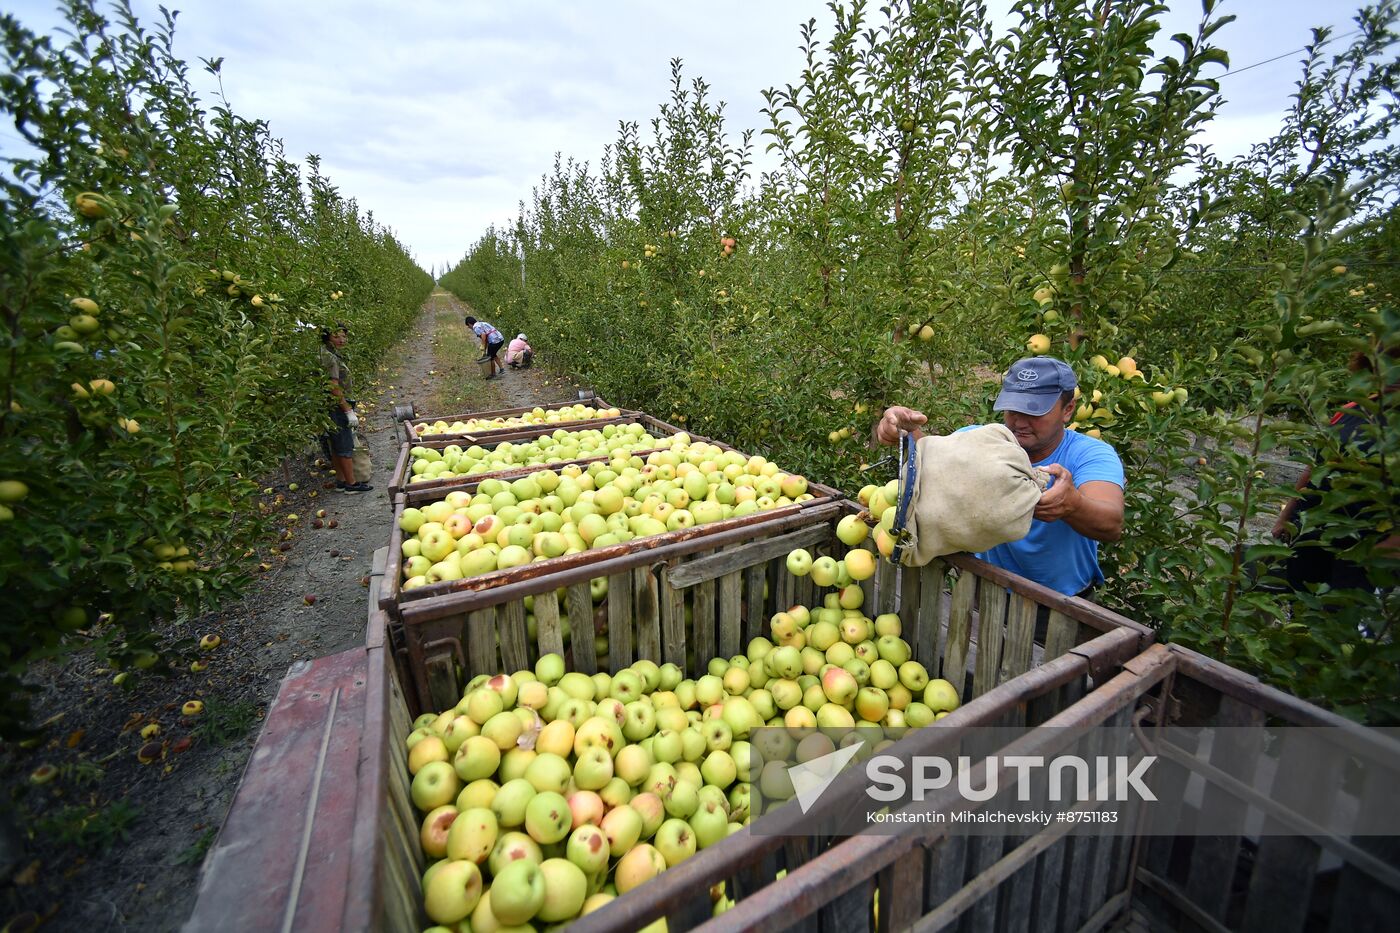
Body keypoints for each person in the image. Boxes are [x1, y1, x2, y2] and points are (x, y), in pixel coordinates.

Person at [876, 356, 1124, 599]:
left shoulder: (1089, 454)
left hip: (1062, 605)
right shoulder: (982, 440)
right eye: (1013, 409)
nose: (1020, 421)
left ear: (1067, 410)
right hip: (986, 590)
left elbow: (1111, 523)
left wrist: (1073, 505)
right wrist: (905, 432)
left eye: (1035, 411)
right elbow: (934, 463)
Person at [320, 325, 372, 493]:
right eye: (336, 337)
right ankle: (351, 484)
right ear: (328, 337)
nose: (341, 340)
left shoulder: (327, 353)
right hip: (337, 404)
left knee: (336, 443)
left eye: (343, 336)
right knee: (344, 443)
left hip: (330, 404)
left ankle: (341, 481)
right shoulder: (329, 357)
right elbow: (333, 387)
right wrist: (347, 410)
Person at [465, 315, 506, 379]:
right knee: (493, 354)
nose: (469, 327)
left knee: (490, 357)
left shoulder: (476, 327)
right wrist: (485, 348)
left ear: (469, 324)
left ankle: (493, 374)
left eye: (468, 326)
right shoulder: (482, 323)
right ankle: (501, 369)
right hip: (500, 339)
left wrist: (482, 345)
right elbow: (486, 337)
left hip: (494, 341)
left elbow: (484, 336)